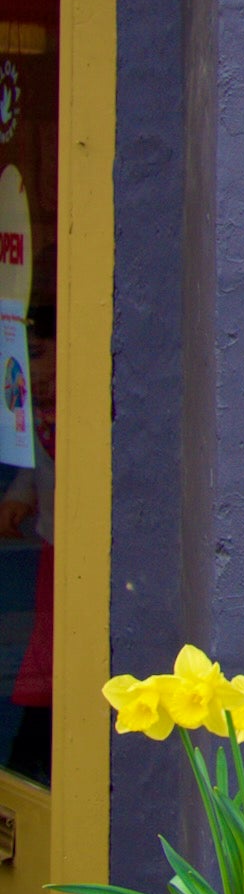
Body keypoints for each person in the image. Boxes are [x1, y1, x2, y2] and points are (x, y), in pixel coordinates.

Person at [0, 301, 54, 784]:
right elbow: (34, 465)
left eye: (37, 355)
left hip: (82, 551)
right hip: (53, 551)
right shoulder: (39, 417)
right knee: (48, 658)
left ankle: (29, 760)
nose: (30, 371)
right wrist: (19, 496)